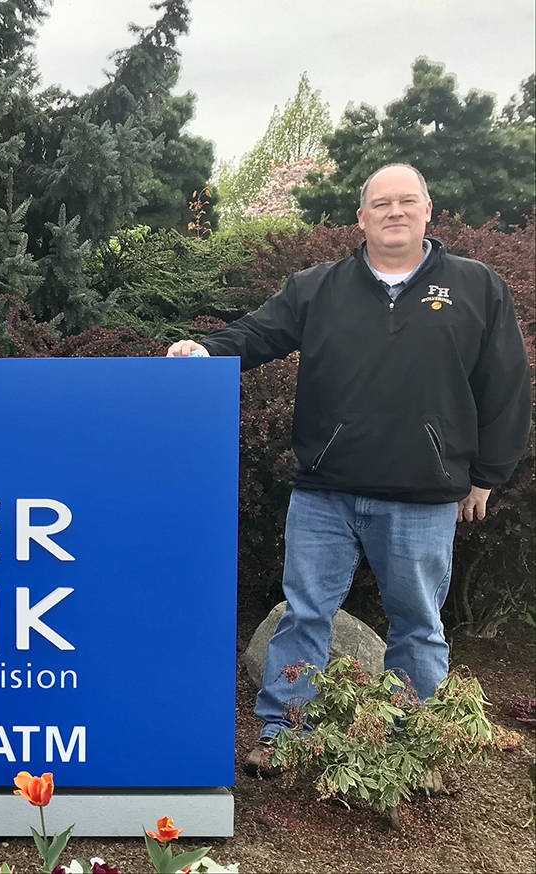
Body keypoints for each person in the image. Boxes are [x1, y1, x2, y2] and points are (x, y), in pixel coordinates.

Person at [167, 163, 531, 775]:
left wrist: (488, 475)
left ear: (428, 210)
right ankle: (285, 735)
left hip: (425, 494)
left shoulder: (477, 287)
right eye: (380, 203)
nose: (394, 211)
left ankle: (410, 747)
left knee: (417, 625)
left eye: (406, 201)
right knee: (304, 615)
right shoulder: (318, 287)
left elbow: (507, 386)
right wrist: (208, 351)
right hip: (325, 492)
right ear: (360, 218)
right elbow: (260, 333)